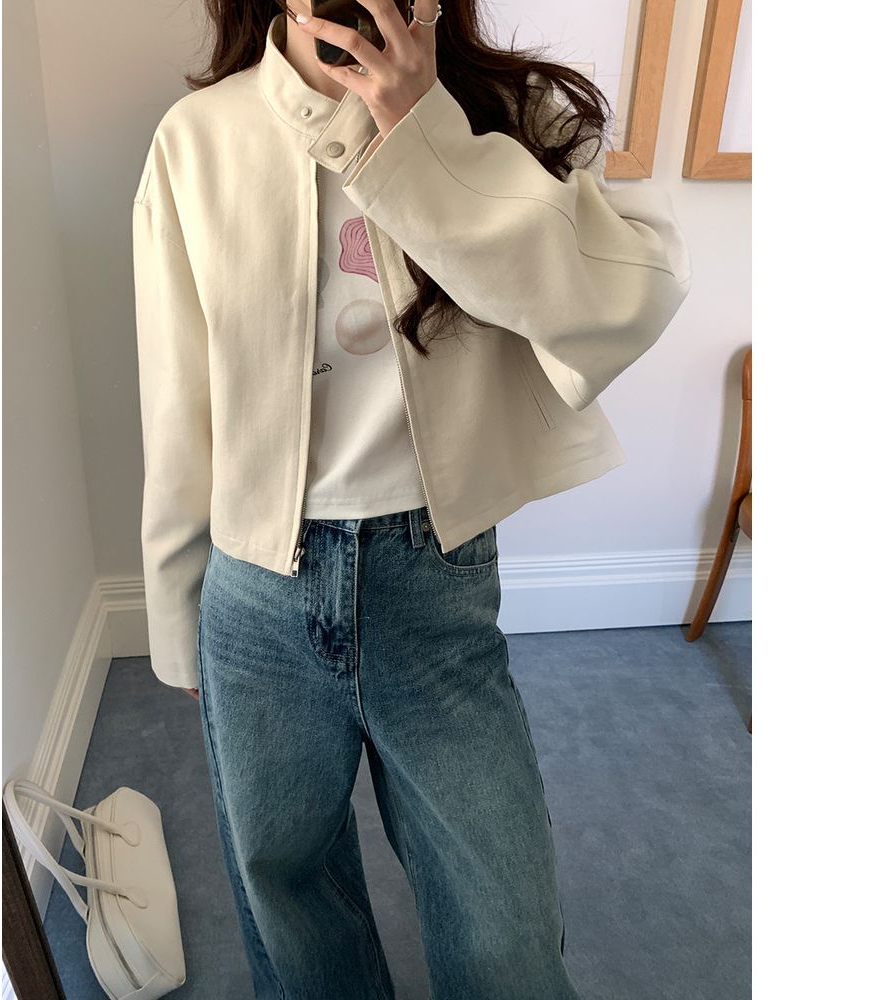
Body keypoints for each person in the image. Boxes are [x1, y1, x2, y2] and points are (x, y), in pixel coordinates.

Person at [131, 0, 691, 996]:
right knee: (289, 897)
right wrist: (177, 611)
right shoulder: (198, 138)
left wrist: (426, 133)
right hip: (257, 591)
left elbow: (621, 304)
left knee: (506, 933)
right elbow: (180, 398)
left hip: (432, 580)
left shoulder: (514, 113)